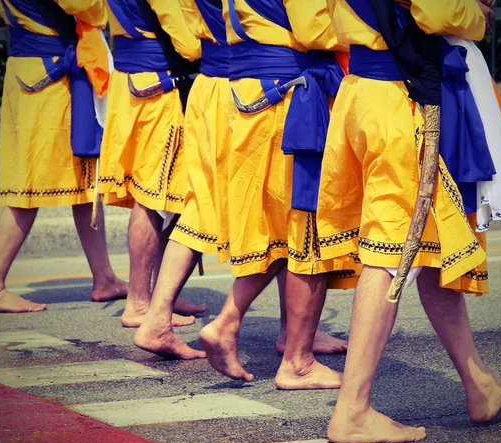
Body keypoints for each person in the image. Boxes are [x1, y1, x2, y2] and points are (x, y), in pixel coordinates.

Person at [315, 0, 501, 443]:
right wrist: (476, 14)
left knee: (426, 242)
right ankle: (352, 410)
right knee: (393, 253)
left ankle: (480, 384)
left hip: (367, 91)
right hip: (398, 98)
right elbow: (438, 11)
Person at [133, 0, 355, 361]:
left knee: (205, 208)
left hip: (218, 84)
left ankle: (158, 316)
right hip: (264, 86)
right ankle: (281, 334)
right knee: (284, 213)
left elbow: (191, 42)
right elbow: (310, 28)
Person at [0, 0, 127, 314]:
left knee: (84, 177)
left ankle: (104, 277)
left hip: (34, 68)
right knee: (27, 185)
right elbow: (86, 5)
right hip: (50, 72)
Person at [98, 0, 205, 328]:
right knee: (152, 198)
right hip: (160, 85)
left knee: (164, 196)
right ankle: (140, 302)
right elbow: (188, 44)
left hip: (136, 80)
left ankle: (160, 294)